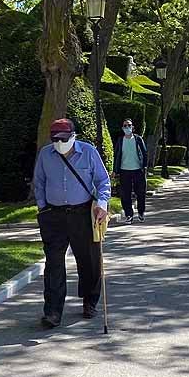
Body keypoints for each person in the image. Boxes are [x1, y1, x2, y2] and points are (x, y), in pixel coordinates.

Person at [32, 118, 111, 329]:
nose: (59, 143)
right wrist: (43, 207)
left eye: (63, 139)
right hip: (54, 215)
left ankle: (90, 301)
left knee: (89, 261)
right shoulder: (45, 155)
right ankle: (53, 311)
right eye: (55, 139)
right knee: (53, 264)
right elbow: (39, 182)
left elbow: (103, 181)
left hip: (83, 213)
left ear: (73, 136)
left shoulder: (88, 152)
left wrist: (102, 204)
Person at [112, 117, 148, 224]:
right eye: (125, 126)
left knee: (140, 193)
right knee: (125, 194)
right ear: (122, 128)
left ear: (133, 127)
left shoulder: (138, 139)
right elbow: (117, 155)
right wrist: (115, 170)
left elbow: (144, 153)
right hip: (124, 171)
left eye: (129, 125)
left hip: (138, 170)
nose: (127, 127)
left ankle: (141, 212)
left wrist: (145, 166)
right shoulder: (120, 140)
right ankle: (129, 215)